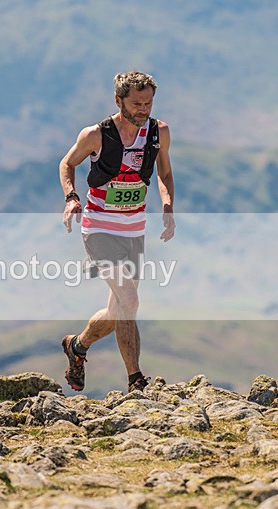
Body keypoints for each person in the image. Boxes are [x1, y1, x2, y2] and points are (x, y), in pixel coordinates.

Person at [59, 70, 175, 394]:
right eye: (137, 104)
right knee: (130, 299)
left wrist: (168, 206)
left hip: (134, 231)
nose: (143, 110)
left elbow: (165, 172)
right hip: (99, 229)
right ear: (118, 100)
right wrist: (71, 199)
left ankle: (77, 347)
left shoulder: (158, 132)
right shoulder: (96, 135)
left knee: (117, 311)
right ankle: (136, 380)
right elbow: (67, 164)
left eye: (148, 103)